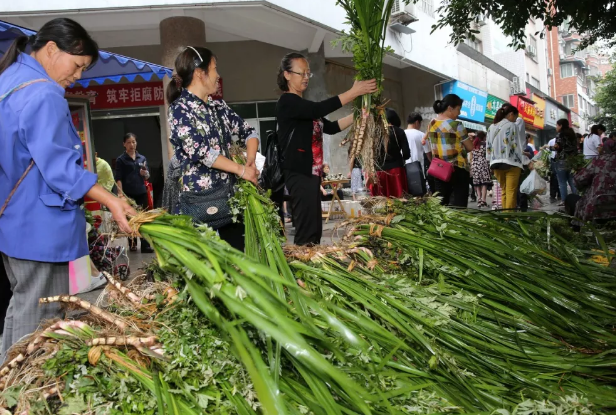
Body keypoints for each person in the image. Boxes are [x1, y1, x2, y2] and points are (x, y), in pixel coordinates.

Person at [0, 18, 135, 359]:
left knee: (22, 309)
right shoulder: (43, 92)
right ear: (50, 49)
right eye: (77, 66)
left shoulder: (9, 81)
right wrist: (112, 201)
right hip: (39, 228)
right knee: (39, 319)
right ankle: (17, 396)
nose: (77, 77)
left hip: (15, 223)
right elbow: (60, 168)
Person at [276, 52, 376, 246]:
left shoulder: (303, 106)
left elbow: (330, 127)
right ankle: (301, 269)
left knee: (315, 229)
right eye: (301, 73)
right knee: (306, 231)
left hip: (313, 175)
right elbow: (317, 109)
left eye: (308, 73)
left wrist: (359, 117)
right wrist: (353, 92)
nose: (306, 77)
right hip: (299, 173)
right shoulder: (287, 102)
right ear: (287, 75)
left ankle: (311, 266)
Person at [167, 46, 259, 252]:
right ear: (200, 73)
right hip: (199, 201)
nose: (218, 75)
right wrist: (242, 170)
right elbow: (201, 153)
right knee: (205, 265)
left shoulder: (219, 107)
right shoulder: (179, 110)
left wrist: (250, 160)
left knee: (239, 257)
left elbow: (249, 131)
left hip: (229, 199)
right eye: (214, 68)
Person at [426, 94, 471, 207]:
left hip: (439, 169)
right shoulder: (457, 125)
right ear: (450, 108)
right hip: (458, 169)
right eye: (458, 109)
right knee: (459, 205)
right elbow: (470, 147)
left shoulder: (431, 123)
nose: (459, 113)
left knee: (441, 205)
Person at [115, 133, 153, 253]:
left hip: (141, 192)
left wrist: (144, 174)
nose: (132, 145)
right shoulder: (121, 160)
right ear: (124, 144)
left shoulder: (142, 158)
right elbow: (118, 178)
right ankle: (132, 242)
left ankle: (145, 245)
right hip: (128, 194)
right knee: (130, 218)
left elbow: (147, 177)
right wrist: (120, 195)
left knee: (143, 218)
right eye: (129, 142)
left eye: (134, 142)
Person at [486, 104, 527, 210]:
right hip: (511, 163)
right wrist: (524, 161)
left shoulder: (491, 127)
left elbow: (488, 147)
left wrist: (489, 161)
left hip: (496, 163)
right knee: (511, 192)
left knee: (504, 190)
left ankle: (505, 218)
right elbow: (516, 145)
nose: (515, 120)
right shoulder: (512, 126)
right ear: (511, 114)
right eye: (515, 117)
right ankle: (509, 218)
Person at [571, 138, 616, 222]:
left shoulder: (599, 161)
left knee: (572, 199)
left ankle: (577, 229)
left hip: (597, 207)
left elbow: (579, 180)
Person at [371, 108, 411, 198]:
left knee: (381, 200)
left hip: (379, 171)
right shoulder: (399, 132)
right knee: (399, 199)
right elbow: (406, 153)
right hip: (396, 170)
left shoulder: (375, 133)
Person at [549, 118, 578, 206]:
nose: (556, 127)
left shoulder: (560, 135)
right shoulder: (572, 134)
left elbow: (557, 147)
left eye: (557, 125)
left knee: (562, 182)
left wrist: (549, 147)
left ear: (560, 126)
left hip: (562, 160)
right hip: (572, 160)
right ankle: (577, 198)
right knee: (571, 180)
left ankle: (564, 200)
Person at [470, 131, 491, 208]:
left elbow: (471, 156)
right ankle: (483, 201)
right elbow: (488, 155)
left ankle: (479, 199)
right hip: (483, 164)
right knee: (484, 184)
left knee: (477, 183)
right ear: (483, 137)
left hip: (475, 165)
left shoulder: (473, 145)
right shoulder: (485, 145)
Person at [547, 136, 560, 202]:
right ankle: (555, 194)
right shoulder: (552, 141)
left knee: (555, 177)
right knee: (556, 177)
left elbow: (549, 150)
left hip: (556, 160)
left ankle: (555, 194)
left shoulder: (552, 141)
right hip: (554, 160)